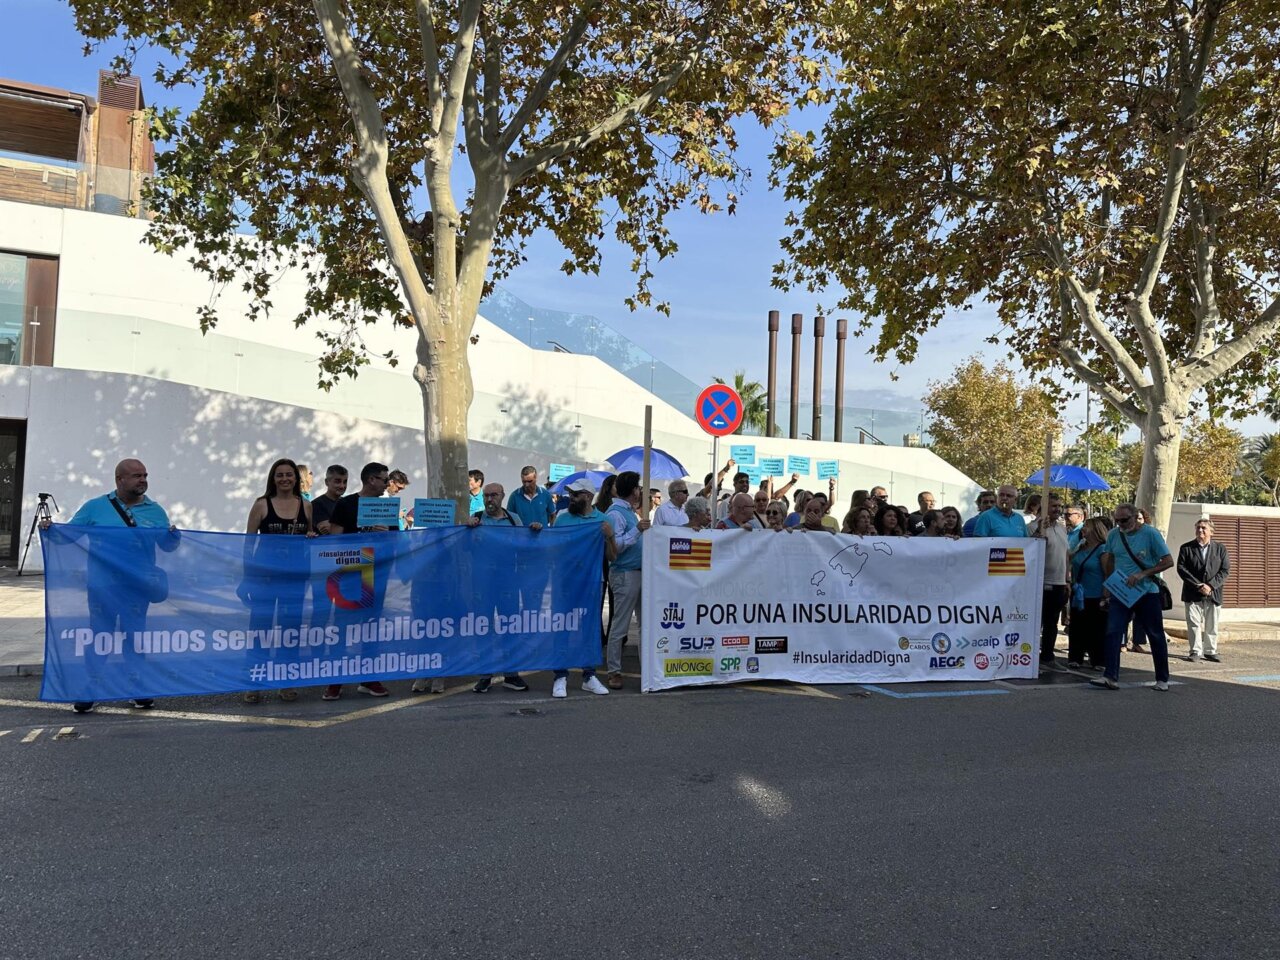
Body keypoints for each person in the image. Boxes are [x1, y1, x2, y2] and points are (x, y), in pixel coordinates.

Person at [56, 458, 179, 714]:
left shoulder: (155, 511)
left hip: (138, 588)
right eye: (136, 476)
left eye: (145, 475)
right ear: (119, 480)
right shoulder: (95, 508)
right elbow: (66, 536)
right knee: (100, 637)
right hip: (102, 588)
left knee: (135, 638)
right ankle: (90, 690)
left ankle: (138, 690)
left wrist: (173, 537)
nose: (143, 480)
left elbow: (167, 546)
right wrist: (49, 529)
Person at [240, 458, 314, 704]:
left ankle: (287, 680)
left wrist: (312, 536)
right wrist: (246, 578)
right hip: (264, 578)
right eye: (280, 475)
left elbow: (309, 539)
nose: (285, 479)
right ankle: (255, 681)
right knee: (260, 630)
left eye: (289, 475)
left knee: (290, 631)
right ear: (273, 478)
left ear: (296, 478)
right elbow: (248, 544)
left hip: (295, 578)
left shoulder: (306, 505)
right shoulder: (261, 505)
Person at [322, 462, 395, 700]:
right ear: (371, 480)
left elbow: (397, 542)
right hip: (350, 575)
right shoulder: (346, 504)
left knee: (371, 629)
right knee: (342, 629)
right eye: (385, 480)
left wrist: (386, 536)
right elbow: (334, 541)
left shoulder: (386, 507)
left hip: (377, 575)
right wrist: (361, 536)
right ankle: (335, 681)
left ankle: (369, 678)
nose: (387, 485)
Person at [1090, 504, 1174, 692]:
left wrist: (1143, 574)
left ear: (1136, 517)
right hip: (1121, 592)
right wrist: (1108, 585)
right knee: (1113, 632)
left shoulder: (1151, 534)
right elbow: (1110, 559)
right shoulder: (1113, 535)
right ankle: (1110, 676)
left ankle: (1162, 678)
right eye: (1117, 520)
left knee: (1155, 634)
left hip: (1147, 592)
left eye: (1124, 520)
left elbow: (1168, 561)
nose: (1120, 524)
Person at [467, 482, 541, 693]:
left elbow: (525, 545)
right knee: (484, 628)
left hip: (509, 581)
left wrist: (535, 531)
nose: (490, 499)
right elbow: (464, 548)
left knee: (511, 626)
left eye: (494, 495)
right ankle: (485, 675)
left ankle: (511, 674)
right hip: (483, 584)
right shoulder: (477, 519)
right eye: (487, 496)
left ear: (502, 496)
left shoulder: (513, 519)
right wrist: (467, 529)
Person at [546, 478, 613, 698]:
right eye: (570, 494)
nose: (571, 498)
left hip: (592, 582)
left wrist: (609, 537)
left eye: (575, 495)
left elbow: (613, 556)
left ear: (588, 496)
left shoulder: (602, 520)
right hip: (564, 581)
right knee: (562, 626)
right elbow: (551, 550)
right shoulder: (562, 518)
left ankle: (589, 675)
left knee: (590, 628)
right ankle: (560, 676)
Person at [604, 471, 650, 689]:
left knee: (645, 624)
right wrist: (637, 532)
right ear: (634, 491)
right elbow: (616, 546)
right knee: (620, 624)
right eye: (639, 488)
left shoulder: (630, 512)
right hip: (624, 572)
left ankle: (647, 666)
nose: (641, 491)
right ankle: (614, 670)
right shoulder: (616, 514)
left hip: (639, 572)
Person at [1177, 519, 1230, 663]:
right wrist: (1198, 585)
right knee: (1193, 623)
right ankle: (1195, 651)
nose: (1200, 531)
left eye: (1204, 528)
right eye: (1198, 528)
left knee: (1212, 624)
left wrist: (1211, 586)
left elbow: (1224, 571)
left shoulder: (1220, 549)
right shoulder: (1186, 548)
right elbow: (1181, 569)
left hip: (1213, 593)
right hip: (1192, 592)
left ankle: (1210, 651)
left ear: (1211, 532)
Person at [1031, 496, 1069, 670]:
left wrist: (1068, 579)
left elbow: (1065, 555)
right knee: (1034, 622)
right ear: (1043, 507)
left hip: (1059, 582)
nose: (1058, 509)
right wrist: (1038, 532)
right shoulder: (1032, 526)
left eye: (1059, 506)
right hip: (1040, 582)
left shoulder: (1062, 528)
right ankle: (1029, 657)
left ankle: (1047, 656)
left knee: (1052, 622)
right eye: (1054, 506)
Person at [1068, 517, 1110, 670]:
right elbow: (1071, 562)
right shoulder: (1081, 546)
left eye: (1086, 526)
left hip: (1095, 594)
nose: (1083, 529)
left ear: (1095, 530)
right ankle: (1075, 657)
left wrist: (1106, 593)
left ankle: (1098, 659)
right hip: (1078, 593)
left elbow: (1107, 572)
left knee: (1096, 628)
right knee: (1077, 626)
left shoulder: (1103, 549)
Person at [311, 464, 349, 535]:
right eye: (337, 481)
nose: (342, 486)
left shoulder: (347, 502)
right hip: (325, 545)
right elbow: (329, 530)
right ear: (327, 482)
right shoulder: (317, 504)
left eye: (345, 482)